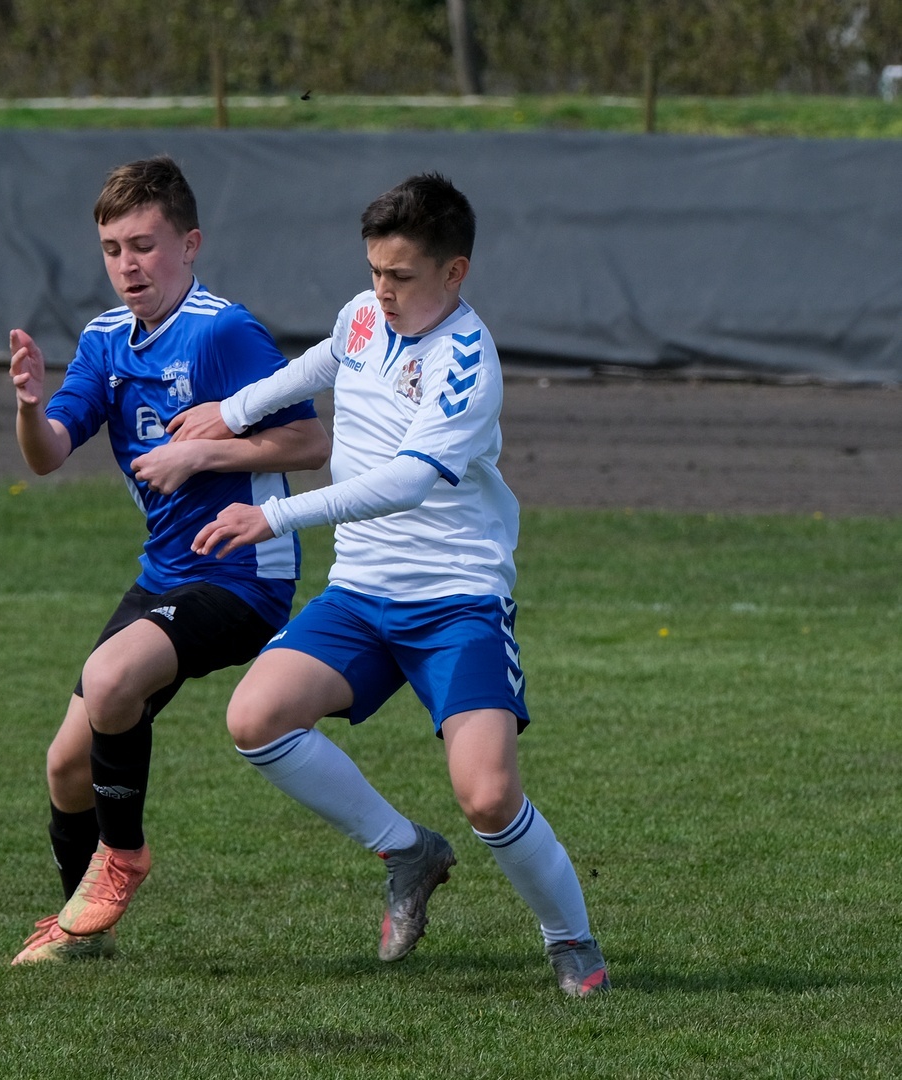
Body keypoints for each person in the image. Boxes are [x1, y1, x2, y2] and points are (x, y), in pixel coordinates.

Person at [179, 172, 609, 997]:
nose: (383, 290)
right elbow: (325, 358)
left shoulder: (467, 363)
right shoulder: (365, 313)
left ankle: (573, 943)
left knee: (488, 796)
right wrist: (233, 412)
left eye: (402, 275)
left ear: (455, 272)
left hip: (456, 598)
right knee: (255, 718)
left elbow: (409, 482)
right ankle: (409, 850)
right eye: (375, 270)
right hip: (360, 591)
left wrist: (276, 516)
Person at [7, 156, 330, 965]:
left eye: (144, 246)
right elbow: (47, 454)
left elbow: (311, 441)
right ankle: (84, 934)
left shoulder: (223, 331)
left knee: (111, 678)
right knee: (65, 765)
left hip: (244, 572)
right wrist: (28, 408)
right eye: (113, 249)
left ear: (189, 245)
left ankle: (122, 857)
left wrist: (203, 452)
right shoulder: (103, 342)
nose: (128, 266)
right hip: (164, 576)